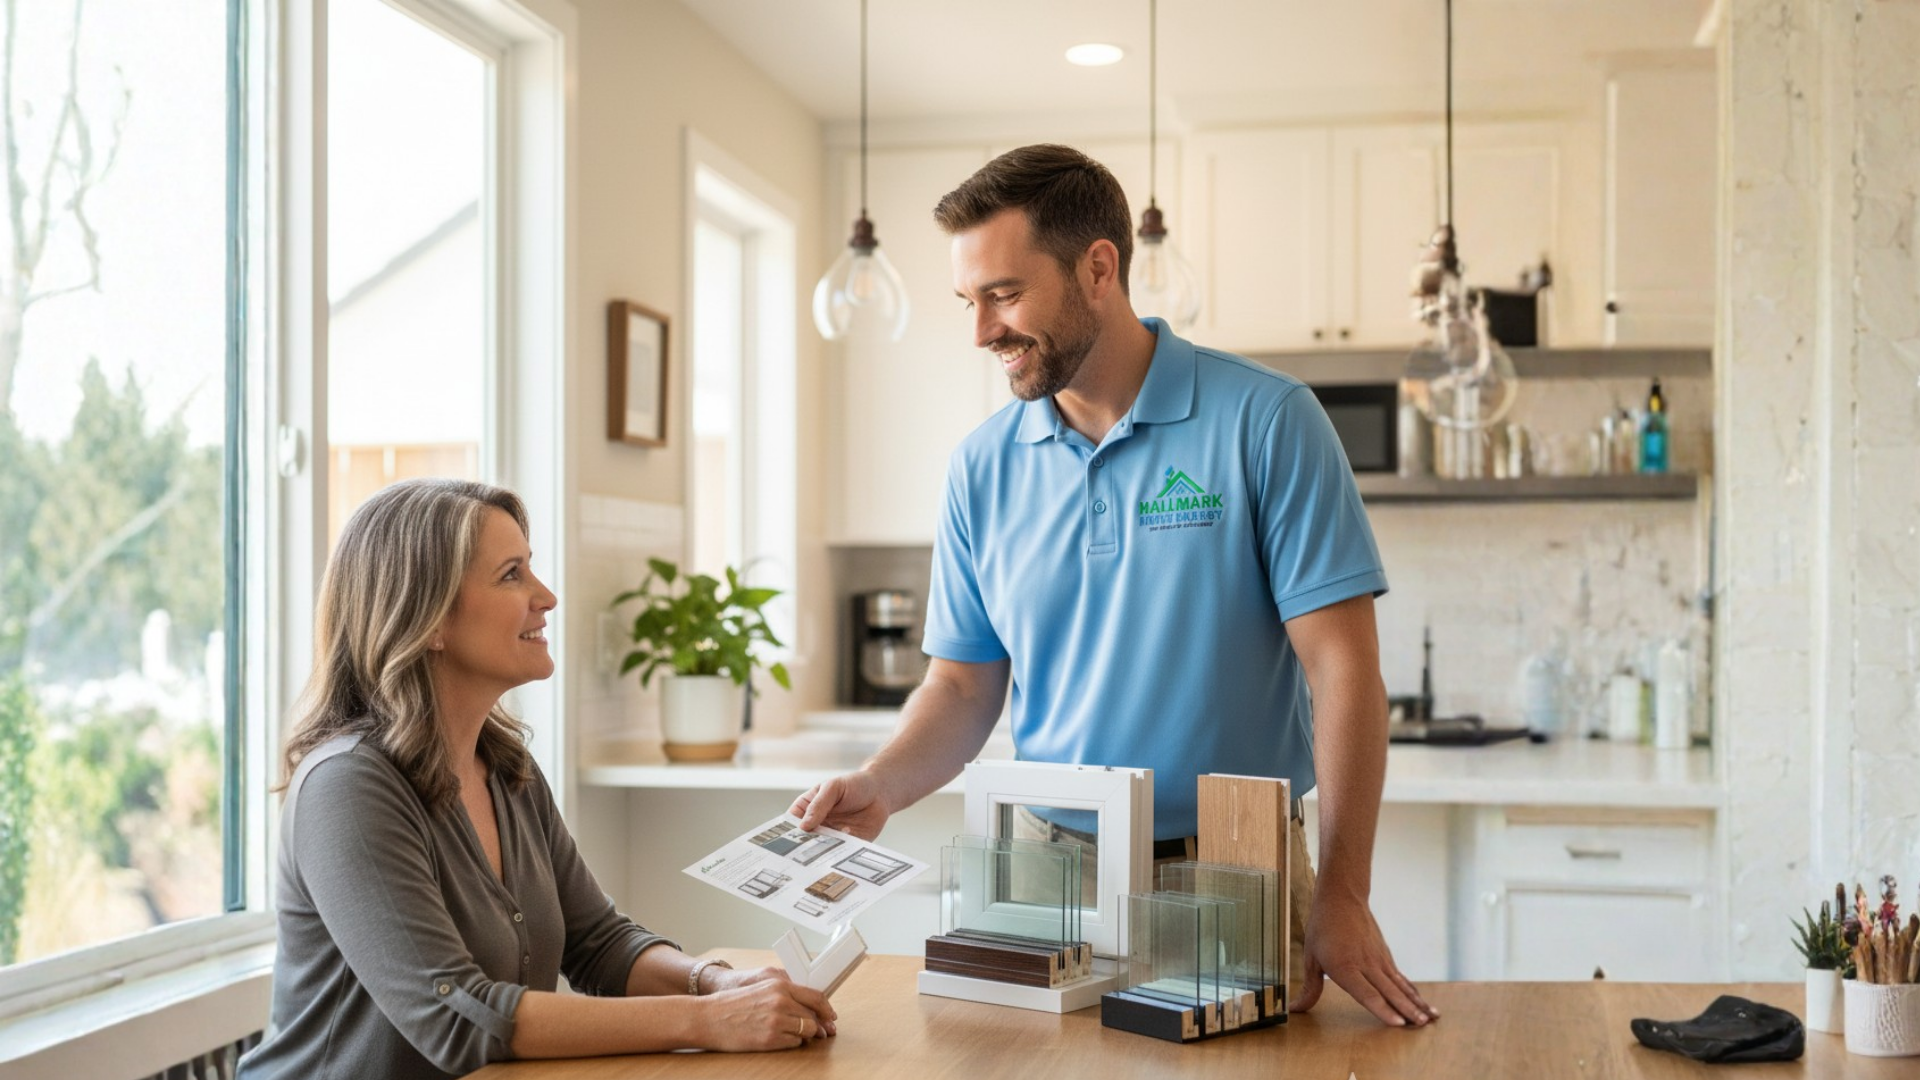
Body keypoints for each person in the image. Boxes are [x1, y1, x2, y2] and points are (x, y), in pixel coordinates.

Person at [792, 144, 1434, 1028]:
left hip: (1232, 868)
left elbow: (1343, 670)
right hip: (1040, 870)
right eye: (968, 302)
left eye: (1004, 295)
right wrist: (883, 784)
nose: (981, 332)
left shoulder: (1267, 420)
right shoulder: (980, 468)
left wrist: (1346, 891)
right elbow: (963, 685)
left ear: (1099, 267)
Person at [239, 479, 834, 1079]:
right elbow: (458, 1018)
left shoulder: (506, 769)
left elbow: (598, 943)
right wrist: (708, 1021)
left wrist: (717, 982)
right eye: (511, 575)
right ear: (429, 620)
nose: (545, 596)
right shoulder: (347, 788)